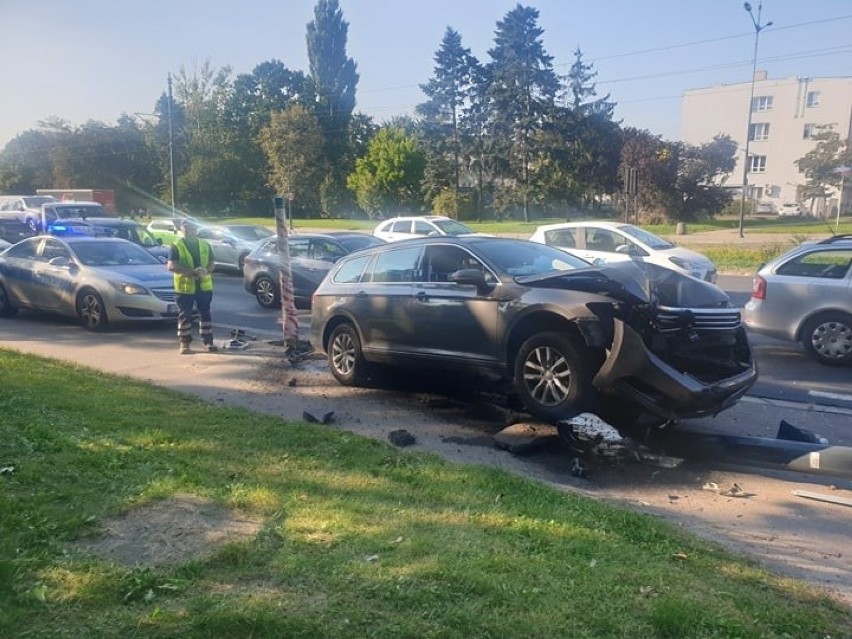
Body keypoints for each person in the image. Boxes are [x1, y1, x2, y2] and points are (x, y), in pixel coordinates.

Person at [167, 219, 217, 354]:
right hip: (185, 287)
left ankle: (208, 342)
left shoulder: (205, 244)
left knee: (205, 314)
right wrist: (191, 272)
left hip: (204, 286)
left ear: (196, 229)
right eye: (187, 228)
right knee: (185, 316)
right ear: (182, 230)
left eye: (192, 228)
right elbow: (171, 266)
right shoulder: (176, 245)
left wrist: (206, 270)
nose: (190, 231)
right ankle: (184, 343)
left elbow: (212, 263)